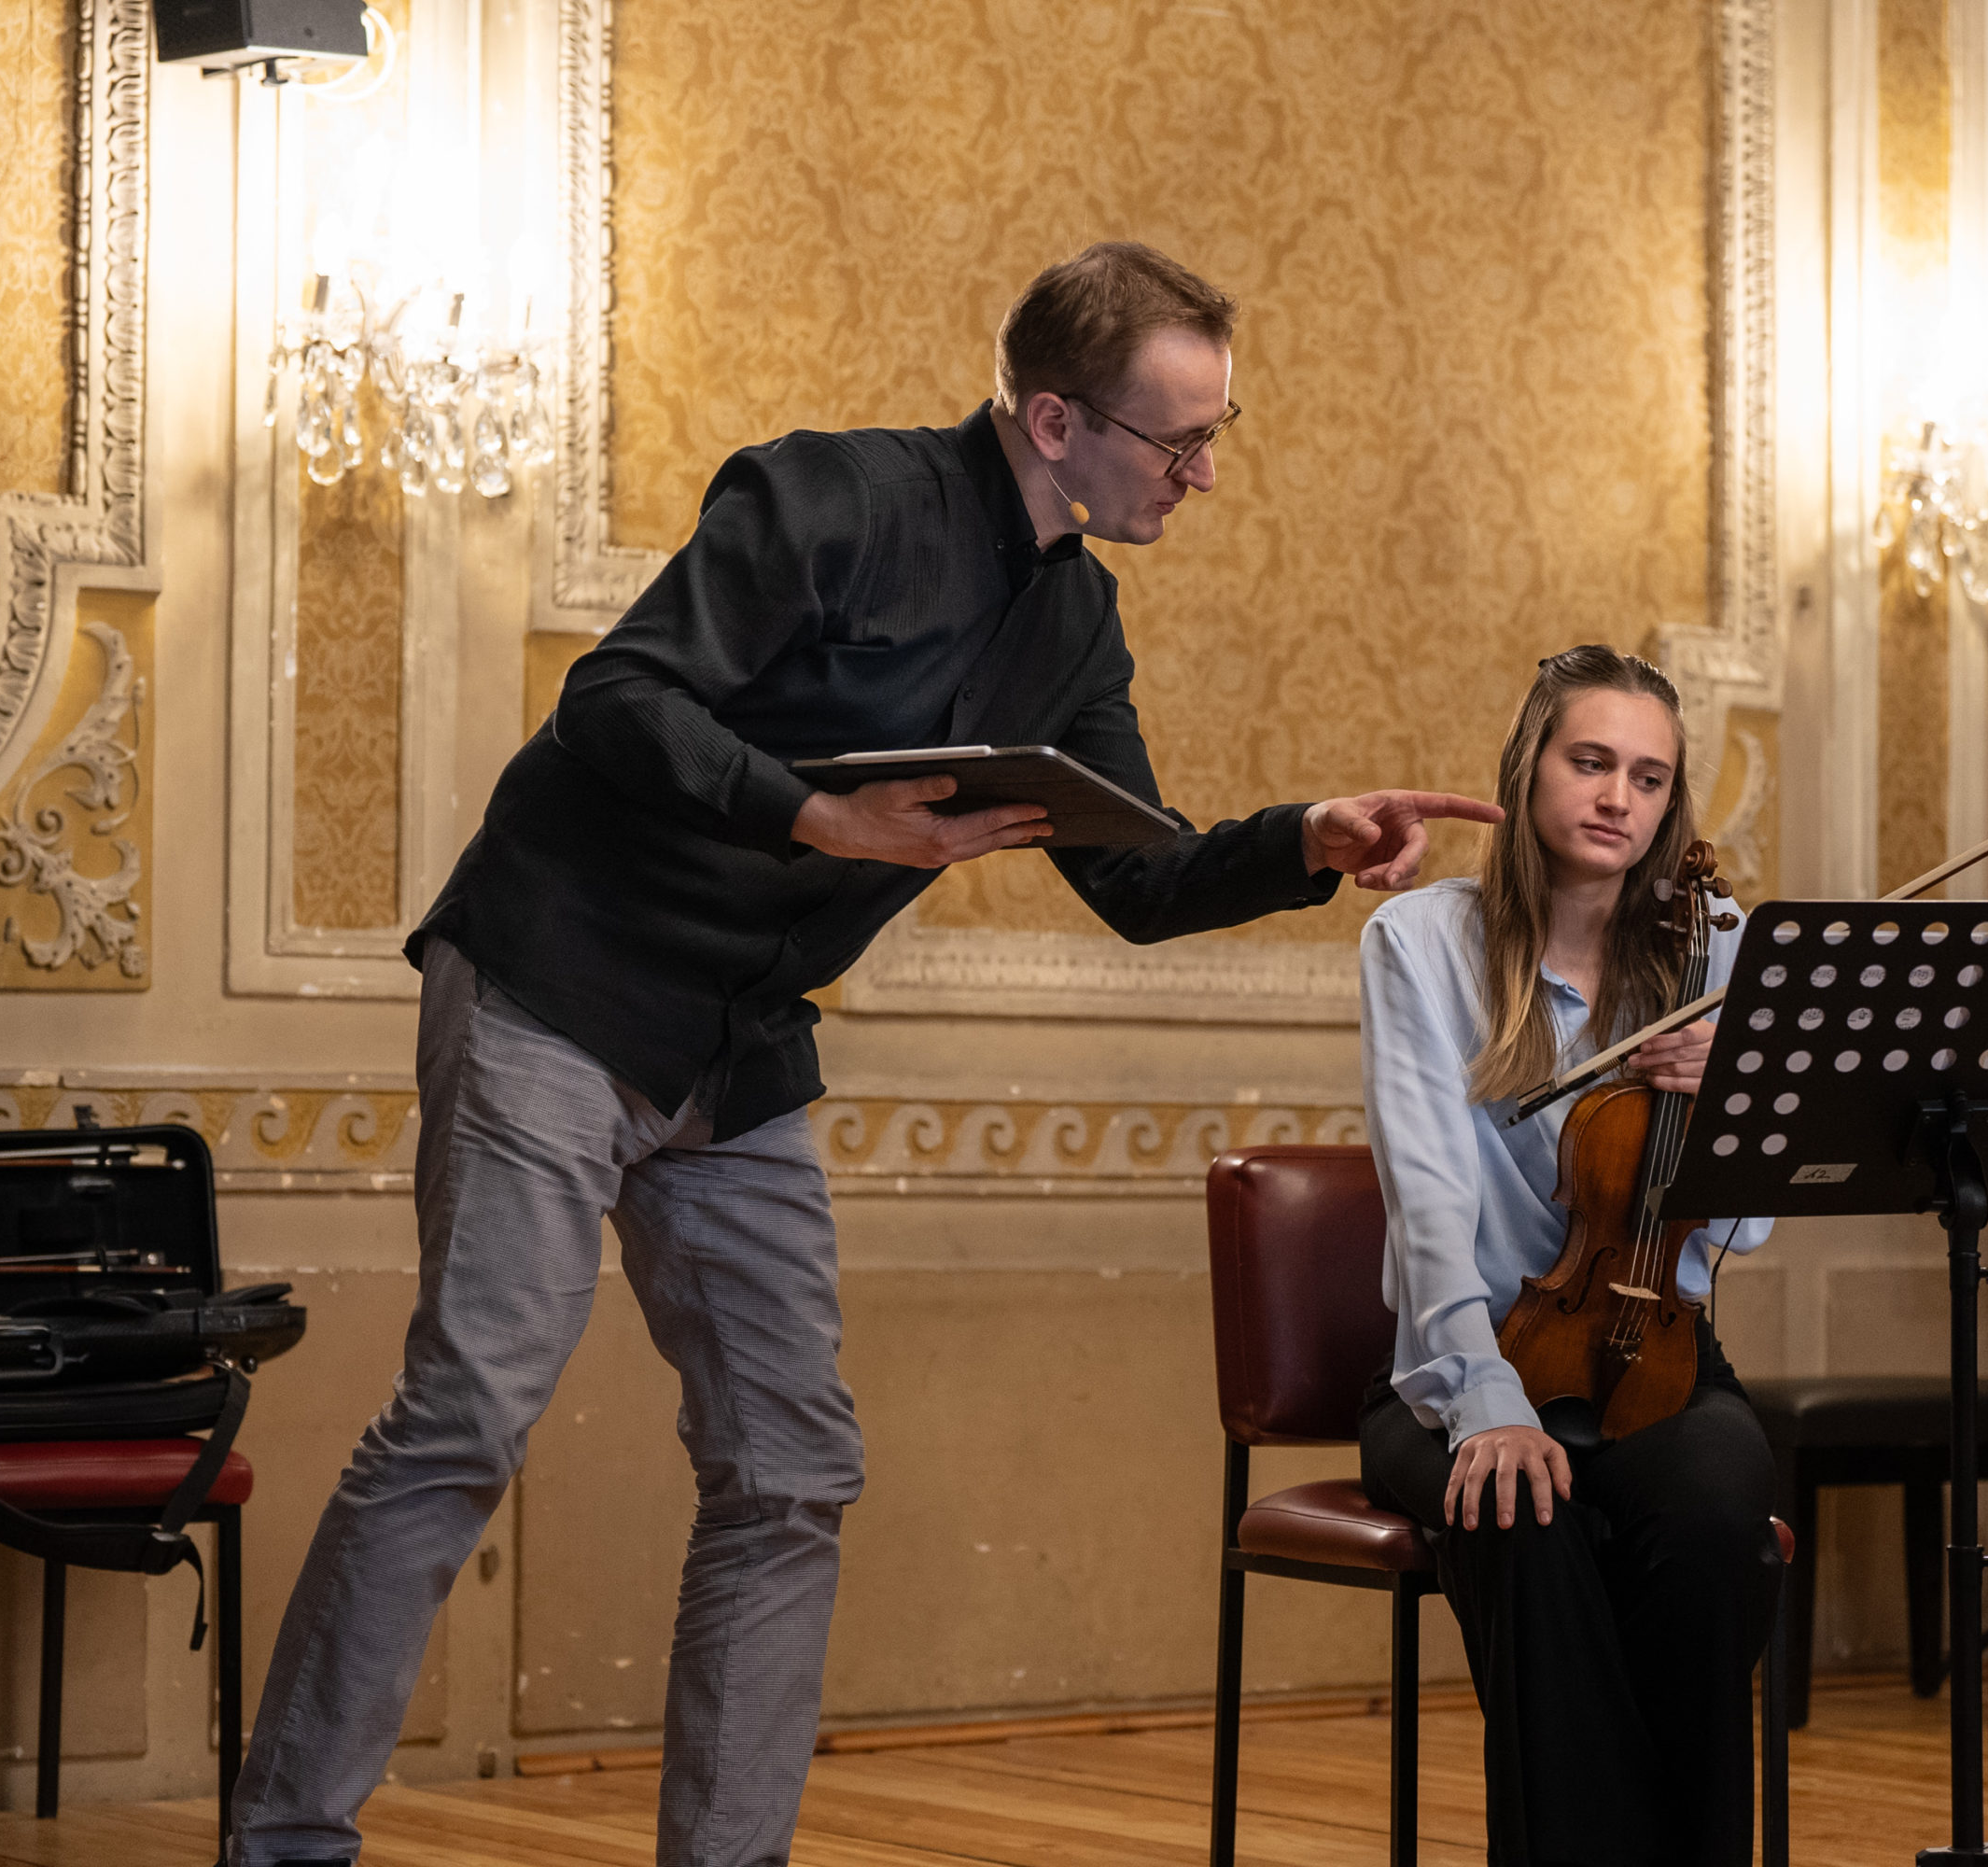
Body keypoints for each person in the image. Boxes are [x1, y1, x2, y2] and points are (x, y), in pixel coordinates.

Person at [224, 242, 1499, 1867]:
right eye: (1176, 439)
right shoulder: (824, 497)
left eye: (1217, 434)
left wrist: (1307, 839)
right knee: (468, 1414)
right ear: (1053, 420)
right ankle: (286, 1846)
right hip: (561, 981)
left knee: (789, 1468)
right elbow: (618, 699)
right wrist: (818, 812)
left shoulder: (1077, 623)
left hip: (741, 1050)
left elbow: (1138, 879)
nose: (1201, 474)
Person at [1355, 645, 1778, 1866]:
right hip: (1453, 1372)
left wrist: (1725, 1111)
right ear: (1530, 766)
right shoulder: (1420, 945)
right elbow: (1428, 1200)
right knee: (1522, 1508)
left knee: (1714, 1511)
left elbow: (1740, 1230)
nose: (1619, 800)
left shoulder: (1714, 953)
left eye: (1650, 778)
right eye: (1591, 762)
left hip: (1659, 1356)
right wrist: (1489, 1405)